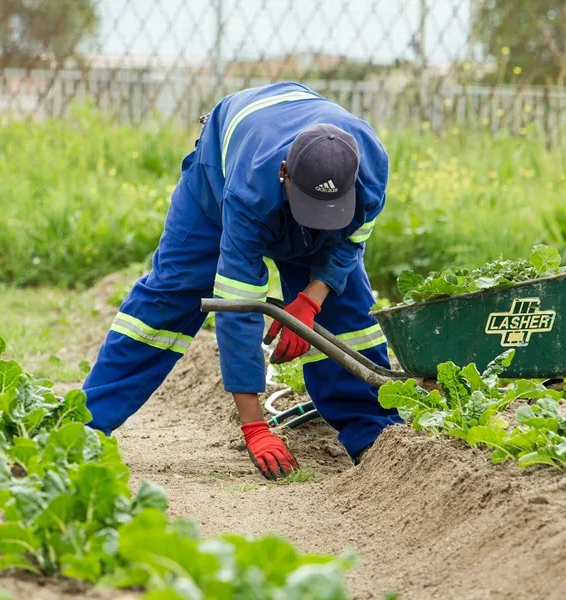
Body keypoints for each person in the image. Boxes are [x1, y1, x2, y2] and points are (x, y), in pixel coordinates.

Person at [82, 81, 403, 479]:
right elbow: (239, 308)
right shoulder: (251, 189)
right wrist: (254, 425)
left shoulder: (370, 169)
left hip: (302, 167)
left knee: (344, 311)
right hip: (219, 174)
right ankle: (87, 425)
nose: (316, 224)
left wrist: (311, 300)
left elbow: (349, 243)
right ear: (284, 174)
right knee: (173, 294)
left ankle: (374, 435)